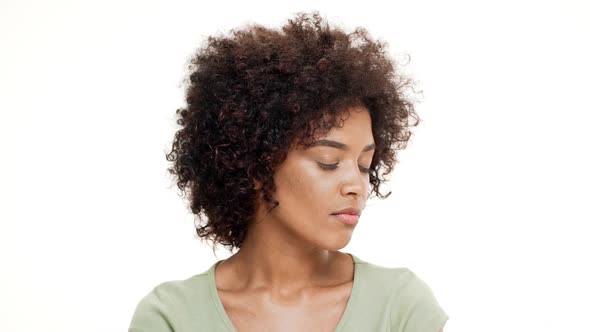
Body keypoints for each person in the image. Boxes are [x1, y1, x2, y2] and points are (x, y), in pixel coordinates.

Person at [128, 11, 448, 332]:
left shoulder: (400, 307)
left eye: (364, 165)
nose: (357, 186)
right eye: (328, 161)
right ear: (258, 164)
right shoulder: (171, 317)